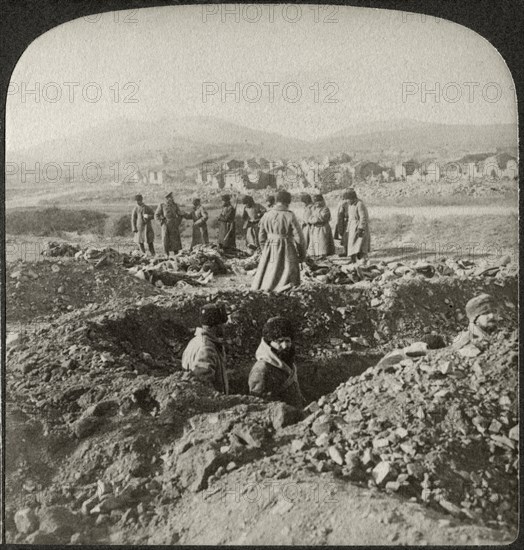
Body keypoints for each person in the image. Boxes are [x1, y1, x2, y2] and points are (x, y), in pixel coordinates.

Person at [251, 190, 306, 292]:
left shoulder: (266, 215)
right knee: (288, 271)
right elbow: (299, 238)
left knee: (269, 270)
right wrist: (302, 254)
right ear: (287, 202)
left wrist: (265, 250)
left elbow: (261, 236)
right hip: (287, 247)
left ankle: (267, 288)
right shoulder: (289, 215)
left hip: (270, 246)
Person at [248, 316, 305, 408]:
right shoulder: (261, 369)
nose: (285, 345)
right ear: (269, 343)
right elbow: (258, 405)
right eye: (280, 341)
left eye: (288, 340)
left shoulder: (289, 363)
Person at [182, 303, 229, 395]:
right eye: (223, 325)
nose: (224, 328)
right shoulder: (207, 348)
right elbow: (203, 384)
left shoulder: (194, 341)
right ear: (216, 326)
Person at [335, 188, 370, 263]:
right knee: (351, 244)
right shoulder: (350, 205)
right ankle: (353, 259)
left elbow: (363, 217)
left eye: (348, 199)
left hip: (359, 227)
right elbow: (350, 218)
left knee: (361, 244)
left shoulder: (360, 204)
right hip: (352, 227)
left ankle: (363, 259)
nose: (347, 201)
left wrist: (361, 228)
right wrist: (347, 229)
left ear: (352, 198)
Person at [307, 194, 336, 258]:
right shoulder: (313, 208)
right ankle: (315, 255)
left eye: (318, 201)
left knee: (322, 243)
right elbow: (309, 217)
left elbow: (321, 218)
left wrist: (313, 219)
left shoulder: (325, 209)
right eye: (315, 202)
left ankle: (322, 255)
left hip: (322, 229)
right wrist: (312, 219)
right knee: (315, 243)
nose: (316, 203)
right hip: (315, 228)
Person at [155, 192, 183, 257]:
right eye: (170, 198)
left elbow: (180, 214)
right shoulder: (162, 205)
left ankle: (176, 254)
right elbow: (156, 215)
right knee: (165, 239)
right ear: (167, 198)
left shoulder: (175, 205)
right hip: (165, 225)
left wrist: (178, 222)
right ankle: (166, 254)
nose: (172, 199)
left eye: (172, 197)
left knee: (175, 239)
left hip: (174, 224)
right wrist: (161, 223)